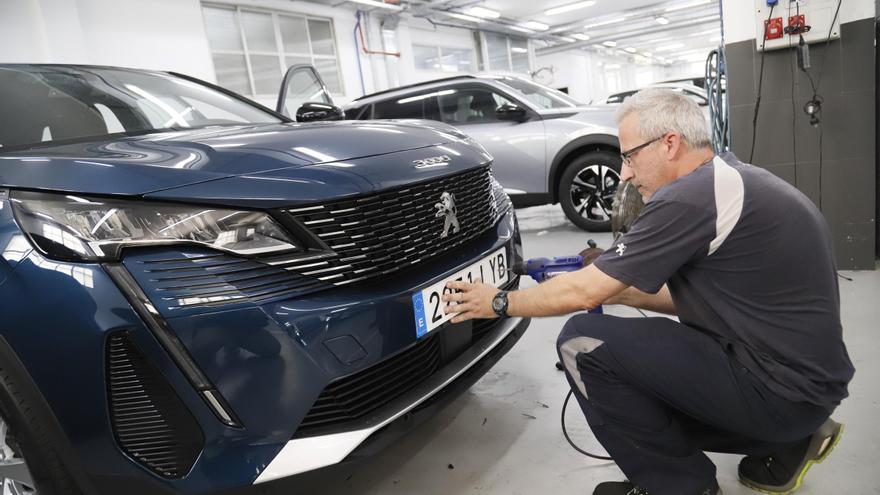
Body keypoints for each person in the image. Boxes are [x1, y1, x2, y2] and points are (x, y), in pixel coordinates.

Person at [442, 88, 854, 495]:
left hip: (776, 393)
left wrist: (497, 302)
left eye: (629, 155)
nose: (625, 173)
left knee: (582, 342)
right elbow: (713, 301)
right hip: (805, 391)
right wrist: (618, 291)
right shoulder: (735, 179)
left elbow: (583, 295)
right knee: (647, 363)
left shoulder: (688, 197)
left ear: (670, 143)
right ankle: (790, 444)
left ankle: (682, 487)